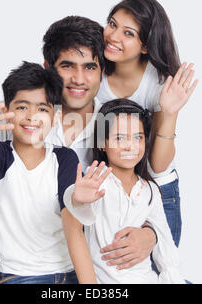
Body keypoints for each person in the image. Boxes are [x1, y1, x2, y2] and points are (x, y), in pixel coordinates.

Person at [0, 16, 158, 284]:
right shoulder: (20, 116)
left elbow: (147, 188)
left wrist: (150, 234)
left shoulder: (115, 124)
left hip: (90, 255)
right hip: (16, 257)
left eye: (90, 67)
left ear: (103, 70)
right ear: (48, 67)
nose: (78, 79)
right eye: (67, 65)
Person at [0, 61, 84, 284]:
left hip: (62, 274)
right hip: (14, 275)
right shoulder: (0, 157)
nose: (31, 116)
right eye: (22, 107)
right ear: (6, 112)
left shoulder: (64, 158)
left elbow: (73, 225)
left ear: (56, 116)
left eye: (42, 109)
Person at [98, 0, 199, 246]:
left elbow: (158, 164)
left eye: (128, 33)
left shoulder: (159, 84)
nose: (113, 36)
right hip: (107, 190)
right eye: (112, 24)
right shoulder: (92, 71)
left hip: (155, 190)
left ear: (145, 46)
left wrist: (170, 112)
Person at [64, 99, 185, 283]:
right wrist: (77, 199)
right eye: (119, 138)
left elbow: (166, 250)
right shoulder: (95, 180)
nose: (130, 146)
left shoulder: (149, 190)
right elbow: (78, 206)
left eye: (138, 137)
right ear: (102, 143)